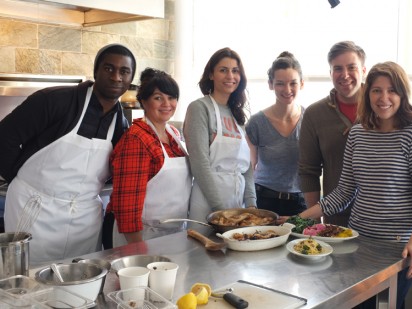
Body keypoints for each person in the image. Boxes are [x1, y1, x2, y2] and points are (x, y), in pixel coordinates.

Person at [290, 62, 412, 309]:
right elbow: (344, 192)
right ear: (367, 94)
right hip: (357, 242)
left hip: (397, 246)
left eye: (392, 90)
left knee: (385, 304)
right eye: (376, 90)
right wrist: (299, 219)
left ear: (403, 94)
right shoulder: (358, 133)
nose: (384, 98)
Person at [0, 43, 135, 264]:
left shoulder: (120, 123)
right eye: (109, 68)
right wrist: (17, 177)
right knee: (27, 282)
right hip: (36, 209)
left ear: (130, 80)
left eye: (124, 71)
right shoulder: (54, 101)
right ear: (96, 71)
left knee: (80, 279)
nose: (116, 77)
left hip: (84, 219)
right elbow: (5, 137)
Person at [103, 68, 192, 248]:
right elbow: (127, 203)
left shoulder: (173, 133)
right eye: (158, 98)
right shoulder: (137, 139)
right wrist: (138, 248)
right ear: (144, 101)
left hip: (171, 232)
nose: (167, 104)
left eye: (171, 97)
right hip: (139, 235)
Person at [183, 47, 256, 233]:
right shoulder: (200, 108)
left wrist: (251, 205)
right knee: (203, 255)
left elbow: (246, 168)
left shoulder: (237, 114)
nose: (230, 76)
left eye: (235, 70)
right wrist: (221, 212)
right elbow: (200, 163)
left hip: (236, 203)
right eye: (223, 70)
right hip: (208, 202)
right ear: (211, 74)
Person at [299, 41, 367, 226]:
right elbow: (308, 171)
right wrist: (315, 222)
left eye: (351, 67)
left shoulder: (384, 109)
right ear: (330, 73)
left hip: (380, 221)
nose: (345, 75)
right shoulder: (314, 114)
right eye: (338, 68)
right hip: (335, 218)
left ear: (363, 70)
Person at [245, 51, 307, 216]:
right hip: (264, 200)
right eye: (280, 83)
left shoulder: (311, 119)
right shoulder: (256, 122)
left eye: (293, 83)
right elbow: (249, 168)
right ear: (270, 84)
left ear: (301, 83)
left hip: (301, 203)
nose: (287, 89)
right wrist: (250, 205)